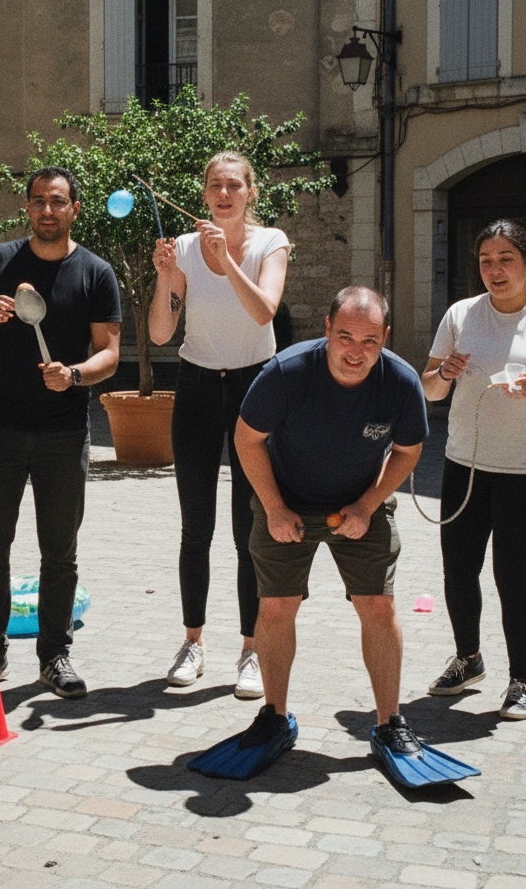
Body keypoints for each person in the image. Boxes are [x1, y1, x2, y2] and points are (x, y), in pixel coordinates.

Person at [233, 286, 429, 760]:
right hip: (286, 500)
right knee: (276, 607)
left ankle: (389, 723)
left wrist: (368, 504)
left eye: (369, 341)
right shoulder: (286, 373)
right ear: (326, 330)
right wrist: (274, 508)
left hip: (361, 501)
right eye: (345, 337)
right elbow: (246, 439)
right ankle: (274, 716)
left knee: (378, 607)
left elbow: (407, 451)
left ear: (385, 337)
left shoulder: (401, 382)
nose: (355, 352)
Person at [0, 166, 121, 698]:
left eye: (57, 201)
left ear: (74, 209)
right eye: (38, 201)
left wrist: (74, 375)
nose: (47, 210)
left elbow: (110, 354)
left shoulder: (95, 272)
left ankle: (54, 654)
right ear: (26, 208)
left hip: (63, 432)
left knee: (60, 552)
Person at [422, 219, 526, 719]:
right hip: (465, 463)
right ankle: (468, 659)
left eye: (505, 260)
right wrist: (443, 373)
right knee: (458, 569)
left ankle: (522, 680)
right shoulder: (460, 314)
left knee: (513, 575)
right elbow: (429, 388)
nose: (494, 271)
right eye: (485, 261)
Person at [148, 151, 290, 698]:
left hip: (256, 386)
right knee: (195, 526)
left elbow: (264, 311)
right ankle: (193, 642)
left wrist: (225, 260)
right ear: (204, 193)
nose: (224, 194)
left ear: (251, 192)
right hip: (198, 386)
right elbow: (161, 333)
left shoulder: (270, 242)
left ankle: (251, 649)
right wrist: (165, 276)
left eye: (234, 185)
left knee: (247, 527)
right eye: (215, 185)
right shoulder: (185, 247)